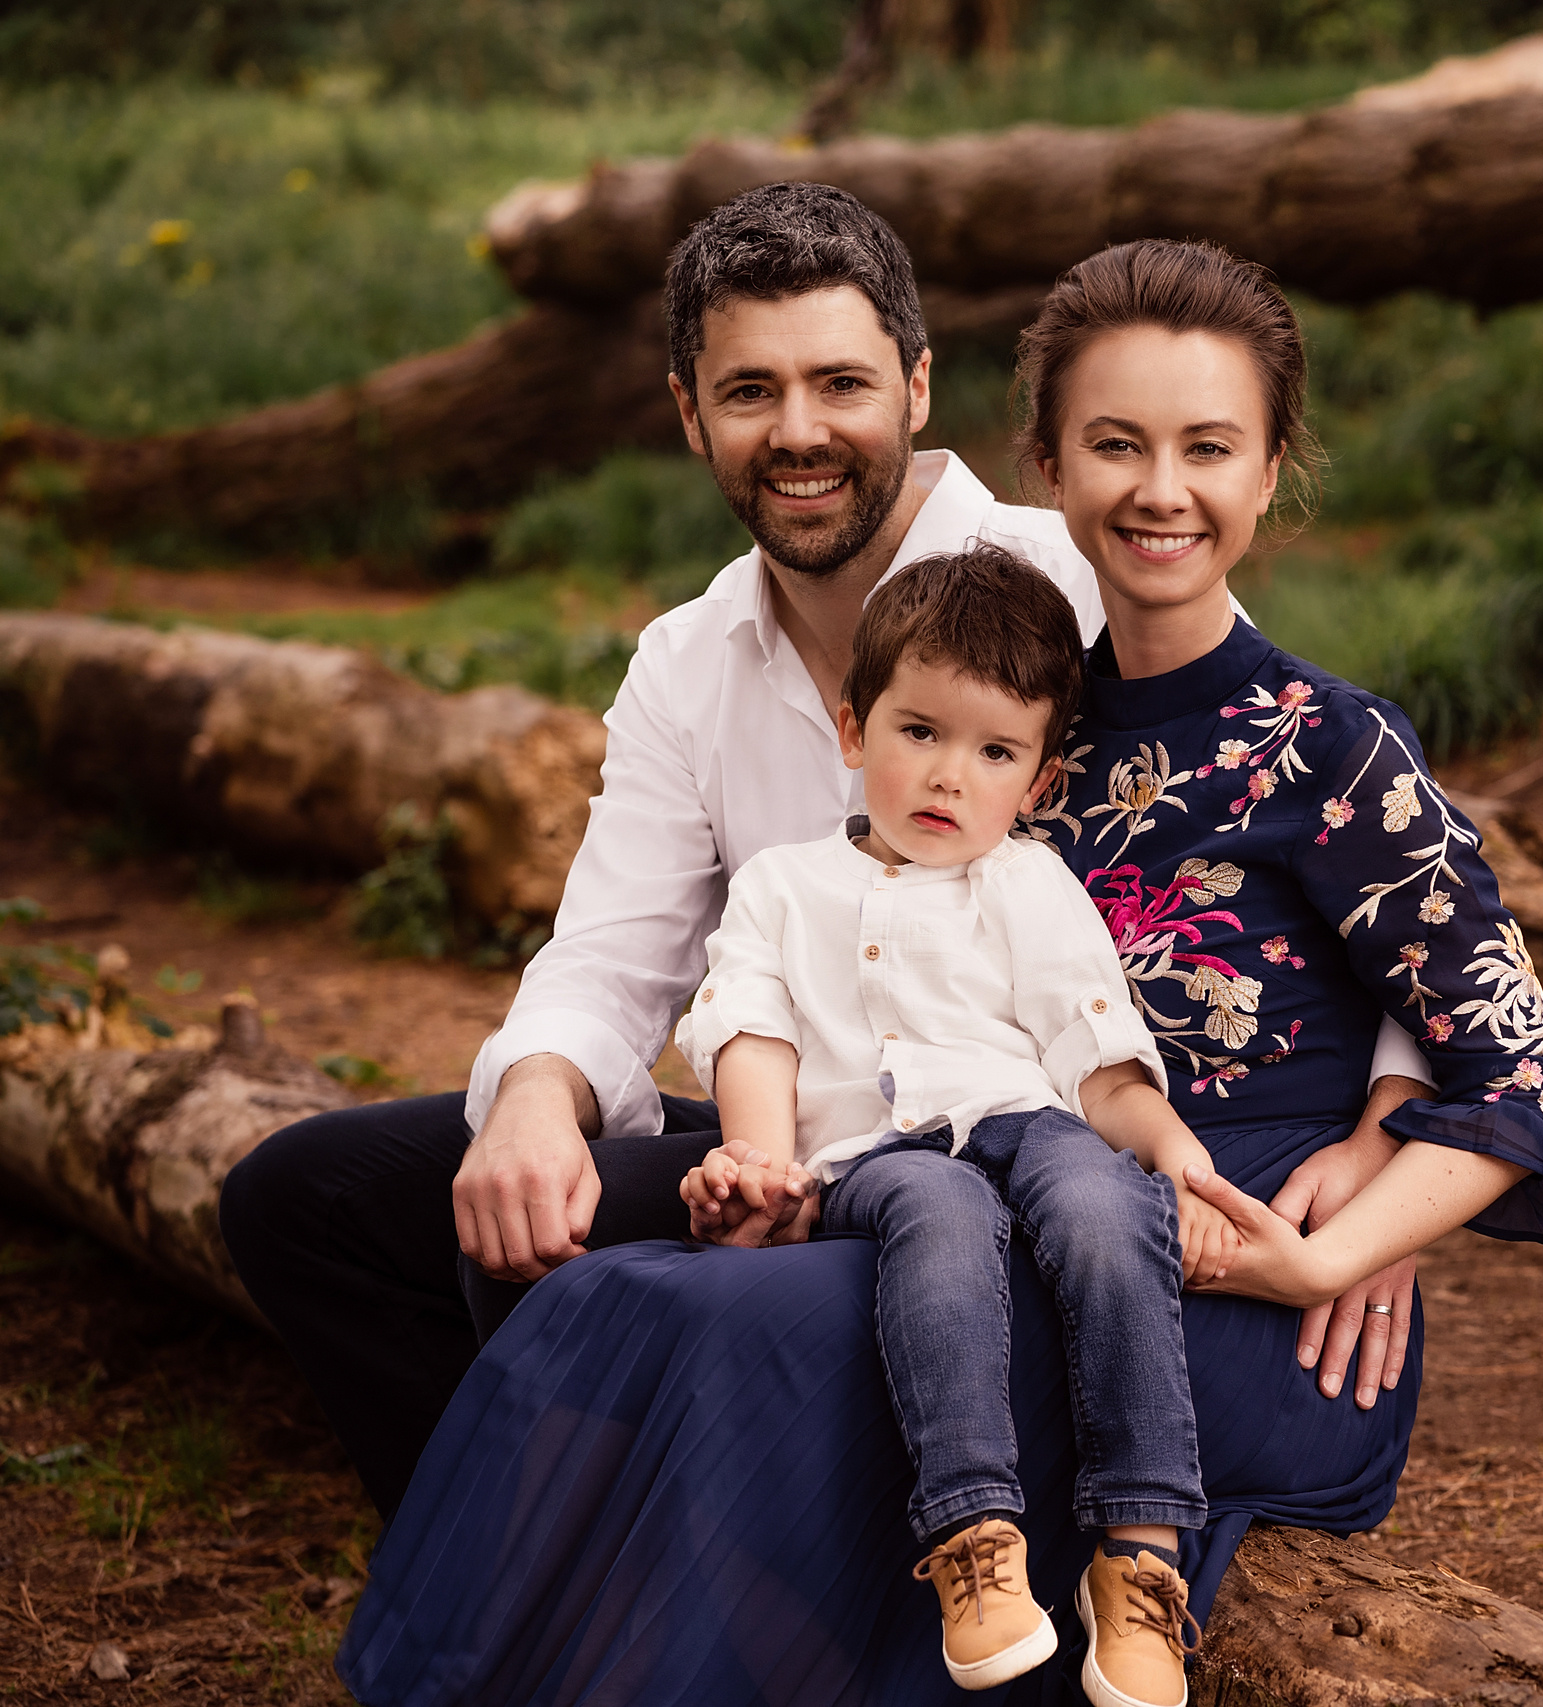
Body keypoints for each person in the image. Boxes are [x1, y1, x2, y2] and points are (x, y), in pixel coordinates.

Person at [330, 234, 1543, 1707]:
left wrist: (1353, 1230)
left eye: (1208, 448)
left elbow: (1511, 1050)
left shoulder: (1324, 739)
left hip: (1222, 1263)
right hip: (994, 1178)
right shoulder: (1009, 718)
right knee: (610, 1266)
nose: (1160, 490)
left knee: (728, 1320)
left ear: (1270, 474)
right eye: (1114, 445)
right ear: (1049, 469)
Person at [215, 181, 1433, 1526]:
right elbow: (613, 956)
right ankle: (507, 1553)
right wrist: (535, 1094)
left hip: (1017, 1153)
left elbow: (1318, 815)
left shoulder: (1086, 577)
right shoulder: (689, 659)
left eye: (840, 383)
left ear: (916, 387)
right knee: (310, 1198)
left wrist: (1387, 1153)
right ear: (690, 414)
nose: (799, 432)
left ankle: (650, 1553)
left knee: (659, 1254)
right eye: (750, 391)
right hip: (803, 1128)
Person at [672, 543, 1232, 1705]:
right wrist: (760, 1161)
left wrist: (1174, 1156)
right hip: (871, 1155)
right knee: (937, 1210)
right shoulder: (783, 886)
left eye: (993, 753)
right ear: (853, 729)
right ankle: (974, 1539)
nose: (947, 777)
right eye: (918, 731)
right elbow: (750, 1027)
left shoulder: (1026, 882)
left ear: (1036, 780)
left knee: (1104, 1207)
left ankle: (1138, 1555)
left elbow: (1093, 1059)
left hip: (1027, 1123)